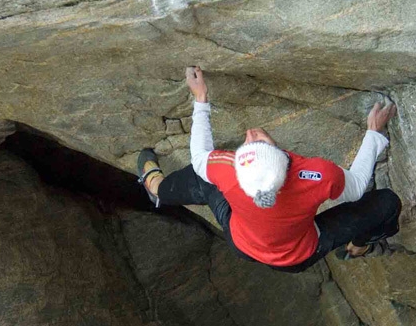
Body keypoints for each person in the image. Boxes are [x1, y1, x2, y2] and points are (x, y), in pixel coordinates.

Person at [137, 66, 401, 273]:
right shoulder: (315, 176)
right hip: (295, 256)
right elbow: (354, 187)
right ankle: (360, 245)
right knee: (387, 203)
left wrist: (201, 98)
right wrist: (374, 135)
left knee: (202, 177)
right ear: (282, 157)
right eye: (254, 146)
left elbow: (200, 157)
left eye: (248, 146)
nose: (250, 135)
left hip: (243, 244)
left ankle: (159, 189)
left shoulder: (228, 172)